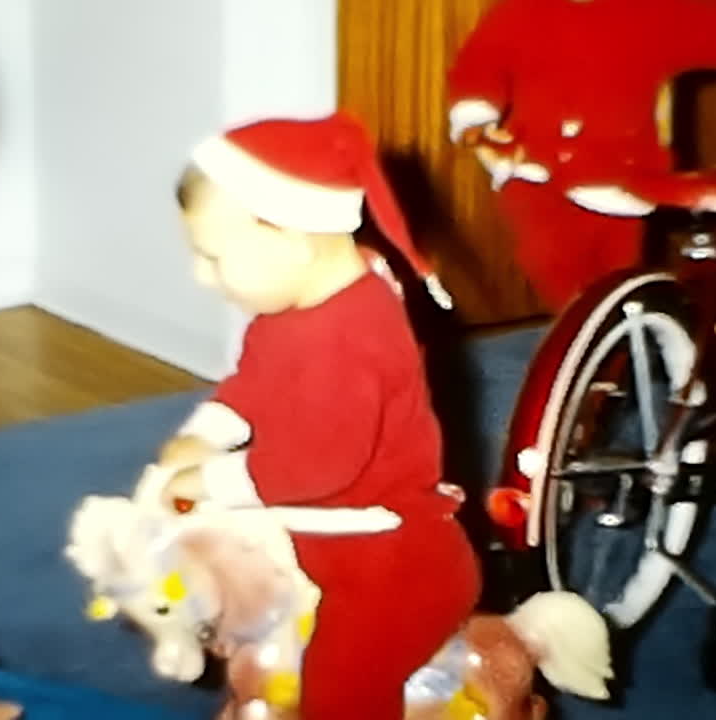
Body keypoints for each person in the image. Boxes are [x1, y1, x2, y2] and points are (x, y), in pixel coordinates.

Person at [154, 111, 481, 720]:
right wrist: (206, 434)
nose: (200, 276)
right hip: (314, 539)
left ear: (295, 242)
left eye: (213, 256)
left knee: (340, 689)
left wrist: (208, 480)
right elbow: (253, 380)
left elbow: (313, 465)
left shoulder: (353, 338)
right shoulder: (292, 308)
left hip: (387, 564)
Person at [447, 0, 716, 312]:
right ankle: (585, 346)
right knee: (554, 269)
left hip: (623, 174)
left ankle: (623, 348)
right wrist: (476, 120)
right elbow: (480, 64)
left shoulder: (647, 12)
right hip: (536, 171)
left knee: (619, 275)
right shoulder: (519, 13)